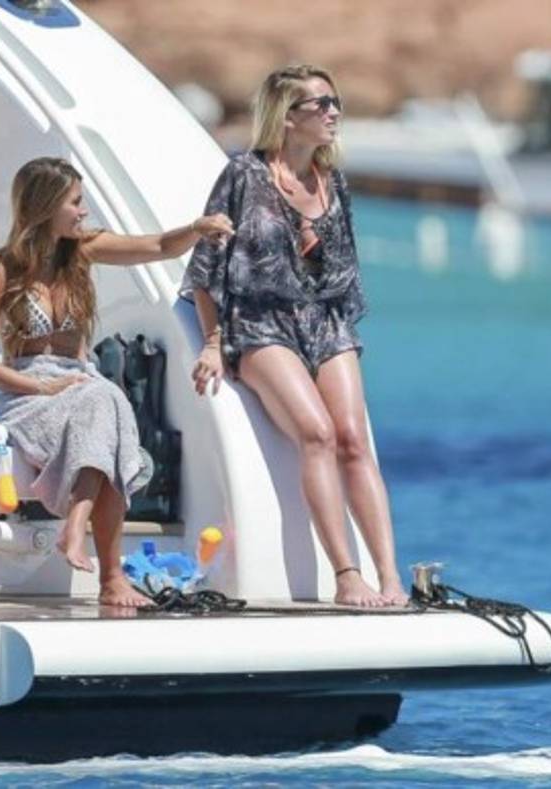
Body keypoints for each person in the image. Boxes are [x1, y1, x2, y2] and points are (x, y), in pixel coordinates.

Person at [182, 64, 407, 607]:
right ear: (287, 116)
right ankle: (346, 575)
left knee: (354, 439)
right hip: (259, 324)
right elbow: (205, 269)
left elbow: (345, 274)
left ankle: (390, 575)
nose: (333, 113)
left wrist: (315, 248)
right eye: (321, 104)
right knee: (317, 434)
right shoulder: (244, 175)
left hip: (324, 321)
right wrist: (213, 344)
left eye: (336, 103)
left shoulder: (334, 183)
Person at [0, 157, 233, 607]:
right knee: (106, 401)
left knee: (101, 397)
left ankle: (79, 524)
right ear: (46, 206)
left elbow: (158, 246)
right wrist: (40, 388)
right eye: (75, 202)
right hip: (24, 390)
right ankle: (109, 576)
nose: (84, 211)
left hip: (79, 384)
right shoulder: (0, 269)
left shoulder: (83, 251)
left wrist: (197, 228)